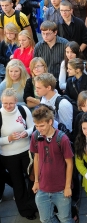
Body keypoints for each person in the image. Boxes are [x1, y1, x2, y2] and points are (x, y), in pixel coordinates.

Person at [30, 104, 74, 223]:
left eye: (42, 125)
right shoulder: (35, 136)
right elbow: (37, 158)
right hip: (42, 189)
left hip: (61, 189)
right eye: (36, 125)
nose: (39, 129)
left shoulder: (62, 139)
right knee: (45, 219)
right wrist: (36, 182)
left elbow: (69, 164)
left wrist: (67, 187)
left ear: (50, 122)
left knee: (65, 219)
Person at [0, 88, 37, 220]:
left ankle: (34, 204)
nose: (8, 106)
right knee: (18, 183)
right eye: (5, 103)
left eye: (11, 103)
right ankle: (25, 210)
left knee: (33, 178)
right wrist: (8, 139)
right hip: (8, 156)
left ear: (16, 101)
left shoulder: (23, 110)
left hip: (26, 151)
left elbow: (32, 127)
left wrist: (26, 133)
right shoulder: (0, 115)